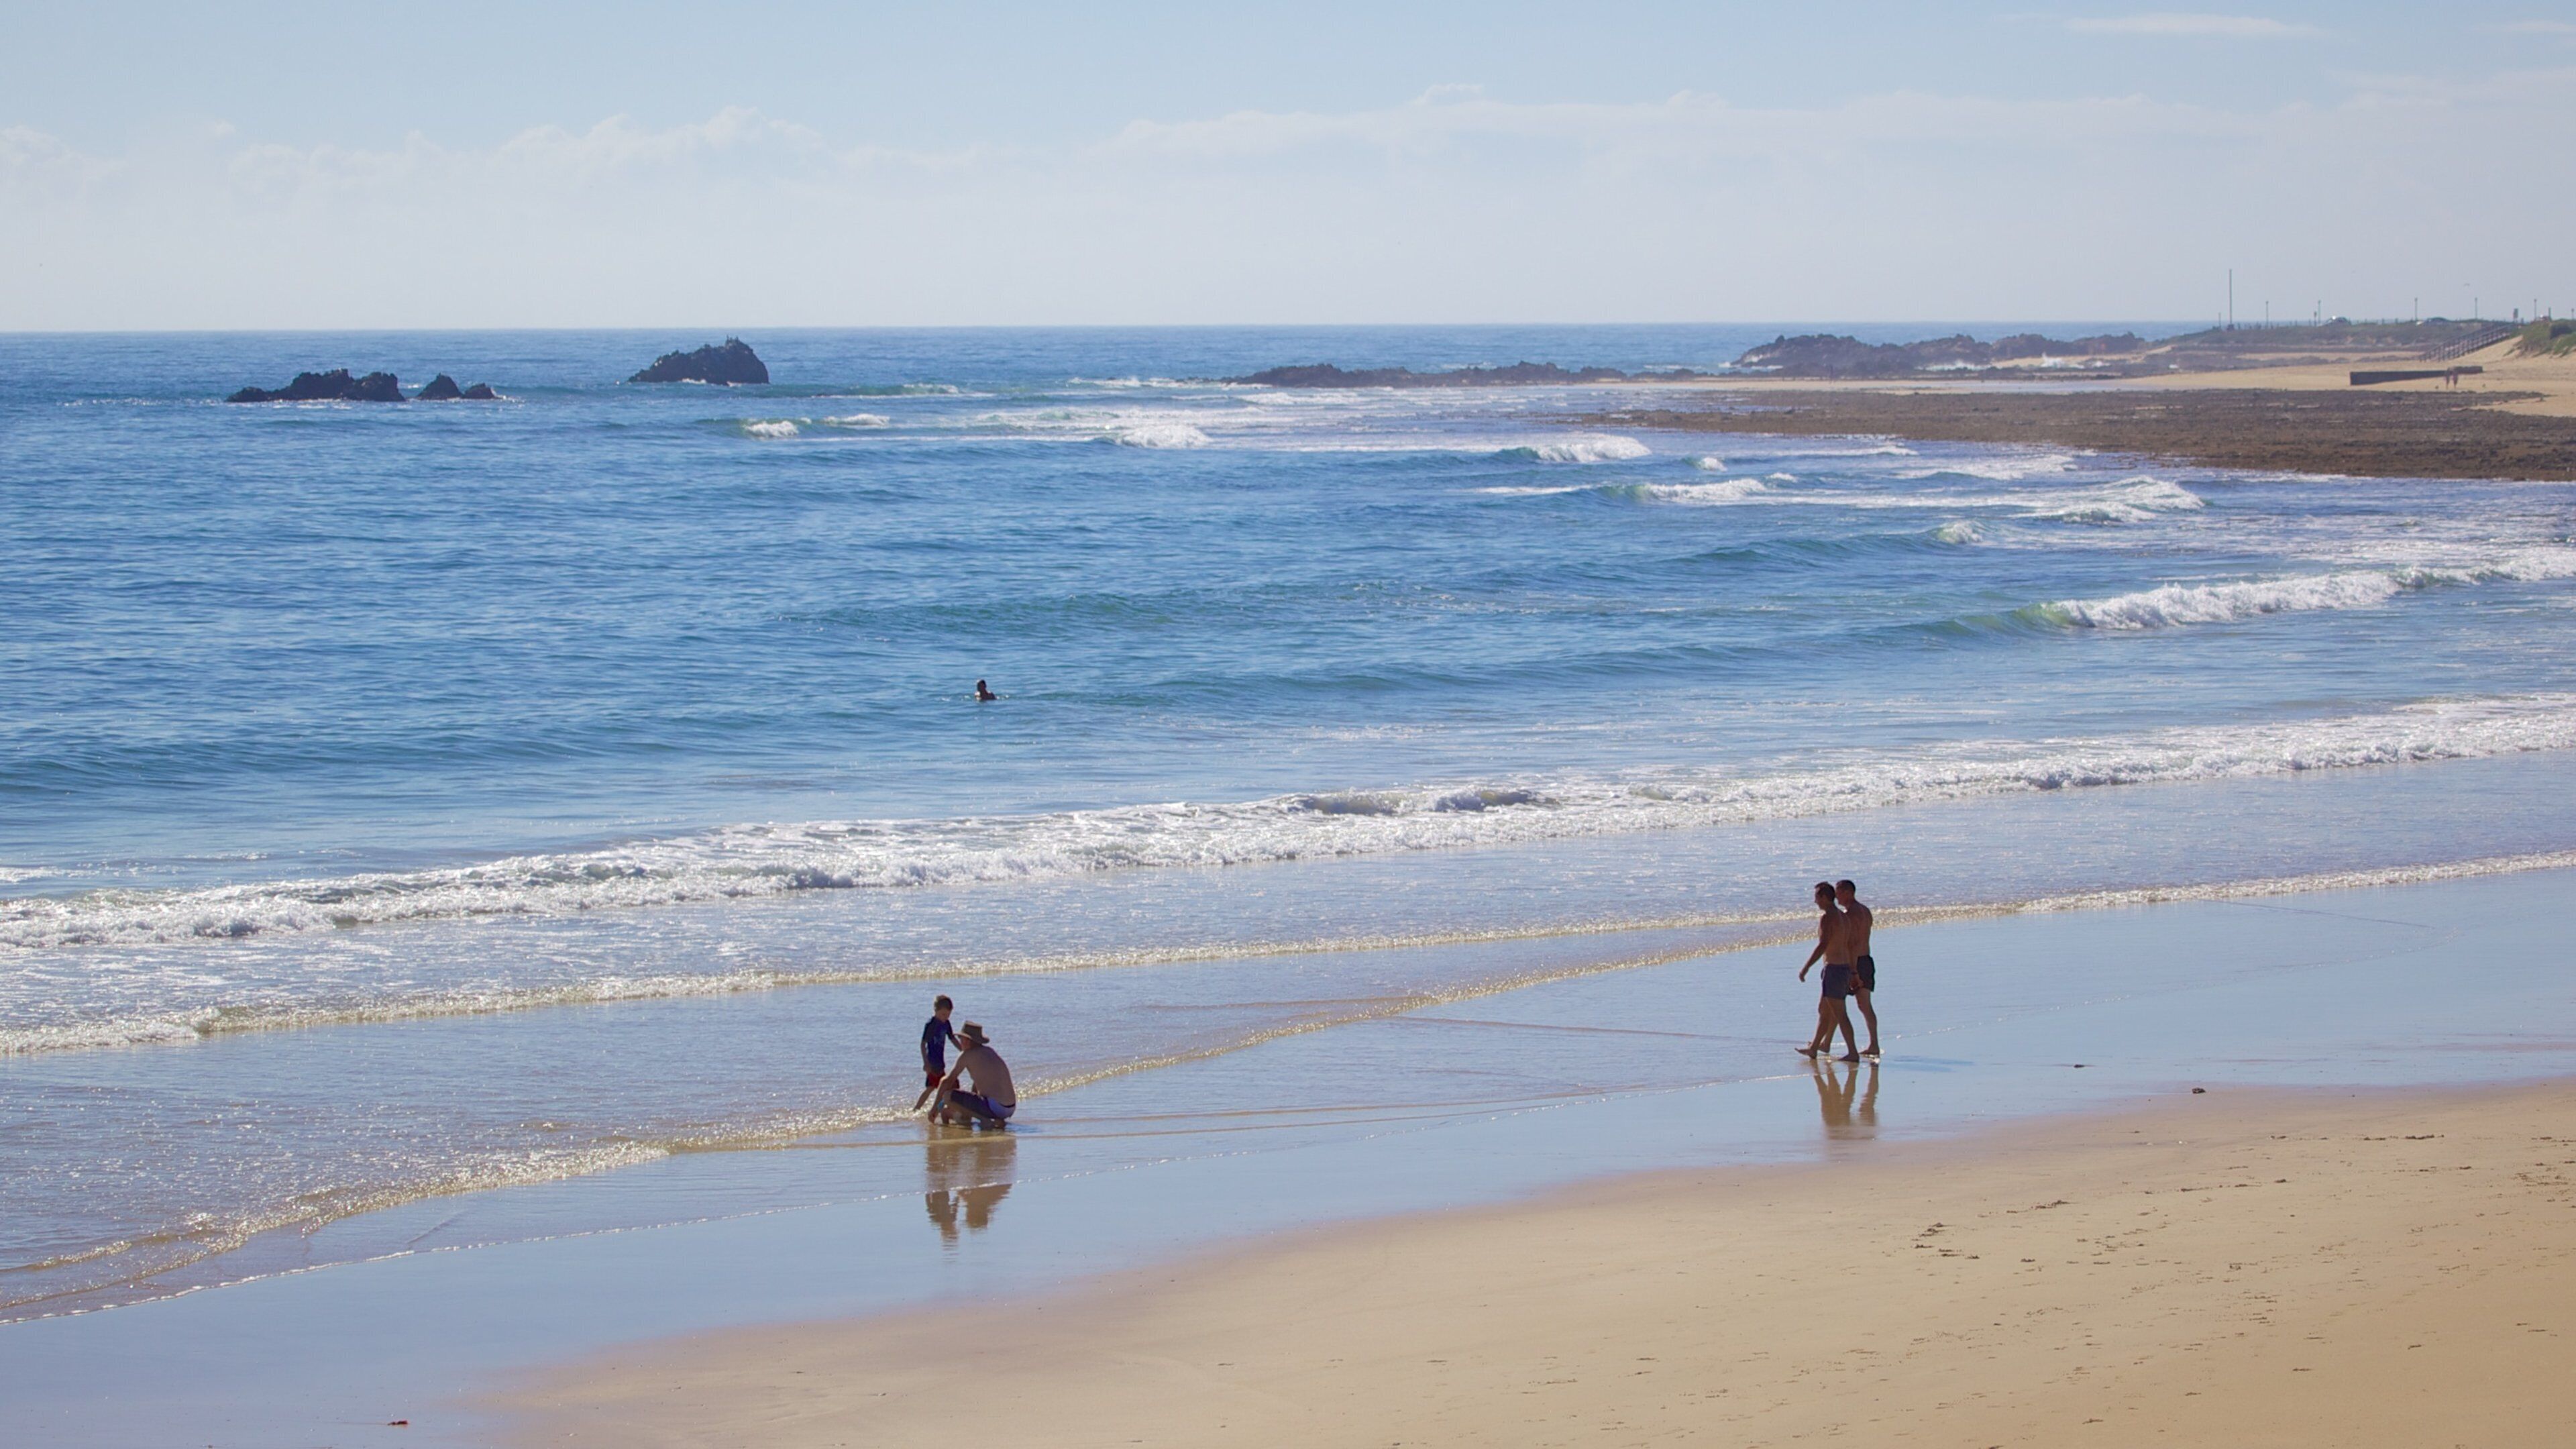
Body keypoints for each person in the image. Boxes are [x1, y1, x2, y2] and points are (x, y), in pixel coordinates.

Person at [1796, 881, 1860, 1062]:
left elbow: (1823, 945)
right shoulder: (1843, 917)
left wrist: (1806, 967)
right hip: (1842, 968)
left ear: (1824, 897)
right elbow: (1849, 945)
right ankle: (1815, 1048)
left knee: (1840, 1014)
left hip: (1834, 969)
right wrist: (1852, 971)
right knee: (1824, 1010)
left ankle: (1853, 1052)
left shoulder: (1828, 917)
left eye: (1817, 897)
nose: (1815, 901)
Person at [930, 1021, 1017, 1127]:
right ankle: (993, 1119)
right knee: (972, 1099)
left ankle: (984, 1119)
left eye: (961, 1038)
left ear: (967, 1040)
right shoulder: (990, 1051)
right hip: (1010, 1107)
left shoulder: (967, 1055)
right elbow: (977, 1086)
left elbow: (947, 1081)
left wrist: (935, 1108)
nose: (960, 1041)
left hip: (995, 1107)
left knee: (948, 1096)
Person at [1836, 879, 1880, 1059]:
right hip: (1867, 959)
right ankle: (1874, 1044)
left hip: (1856, 962)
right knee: (1865, 1005)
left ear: (1848, 893)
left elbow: (1853, 944)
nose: (1836, 897)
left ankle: (1824, 1043)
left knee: (1837, 1002)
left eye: (1839, 893)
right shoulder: (1865, 910)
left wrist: (1853, 970)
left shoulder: (1850, 914)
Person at [913, 995, 957, 1110]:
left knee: (946, 1087)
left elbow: (952, 1039)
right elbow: (923, 1044)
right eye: (943, 1014)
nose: (946, 1017)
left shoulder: (946, 1024)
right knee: (931, 1087)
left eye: (948, 1015)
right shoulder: (931, 1025)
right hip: (932, 1063)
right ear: (936, 1011)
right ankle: (917, 1109)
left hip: (941, 1063)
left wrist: (964, 1050)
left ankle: (940, 1108)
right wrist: (926, 1063)